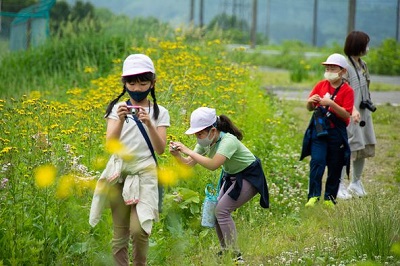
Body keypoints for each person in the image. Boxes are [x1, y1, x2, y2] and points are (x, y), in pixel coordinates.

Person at [89, 54, 170, 266]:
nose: (137, 87)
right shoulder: (117, 109)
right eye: (132, 82)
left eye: (143, 82)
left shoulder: (160, 112)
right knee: (120, 234)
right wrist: (121, 120)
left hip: (145, 175)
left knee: (140, 230)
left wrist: (149, 124)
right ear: (124, 83)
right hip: (119, 174)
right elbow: (110, 144)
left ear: (153, 83)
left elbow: (160, 149)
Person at [169, 107, 269, 263]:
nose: (197, 137)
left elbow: (213, 165)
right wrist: (177, 155)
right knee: (216, 212)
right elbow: (188, 164)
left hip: (250, 176)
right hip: (232, 176)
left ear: (213, 131)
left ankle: (237, 256)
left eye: (199, 133)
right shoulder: (205, 141)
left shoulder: (229, 141)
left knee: (222, 211)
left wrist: (188, 151)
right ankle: (226, 251)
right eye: (196, 134)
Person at [300, 53, 354, 207]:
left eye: (333, 68)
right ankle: (313, 196)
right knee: (317, 161)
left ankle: (329, 198)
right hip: (319, 130)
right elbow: (310, 107)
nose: (329, 70)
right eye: (327, 67)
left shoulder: (347, 90)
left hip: (336, 132)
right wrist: (310, 102)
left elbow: (346, 114)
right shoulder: (320, 85)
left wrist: (331, 103)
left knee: (335, 164)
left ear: (342, 71)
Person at [337, 31, 376, 199]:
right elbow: (342, 92)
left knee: (364, 145)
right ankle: (338, 184)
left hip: (364, 114)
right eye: (365, 44)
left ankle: (356, 182)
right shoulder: (345, 67)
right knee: (347, 148)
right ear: (358, 45)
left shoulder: (363, 65)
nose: (367, 47)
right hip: (350, 114)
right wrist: (351, 110)